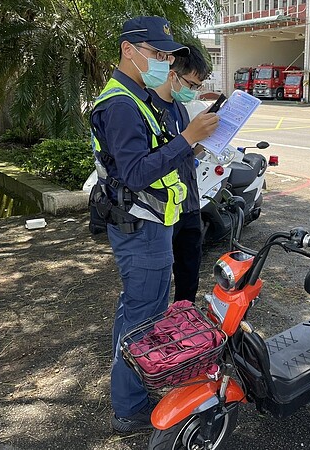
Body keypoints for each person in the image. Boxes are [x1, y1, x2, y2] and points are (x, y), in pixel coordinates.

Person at [89, 16, 219, 433]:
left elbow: (155, 158)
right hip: (141, 228)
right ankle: (129, 409)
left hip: (151, 224)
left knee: (135, 310)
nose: (164, 61)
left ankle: (127, 384)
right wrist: (186, 140)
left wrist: (191, 145)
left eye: (166, 55)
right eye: (158, 53)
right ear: (130, 50)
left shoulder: (138, 96)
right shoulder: (121, 104)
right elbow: (133, 172)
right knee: (144, 317)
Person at [150, 44, 210, 303]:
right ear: (172, 73)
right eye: (191, 84)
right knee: (156, 284)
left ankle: (184, 325)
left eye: (197, 87)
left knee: (189, 276)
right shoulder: (146, 108)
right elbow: (152, 164)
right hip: (162, 212)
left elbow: (185, 155)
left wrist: (204, 143)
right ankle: (154, 332)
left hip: (190, 205)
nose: (193, 92)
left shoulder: (180, 109)